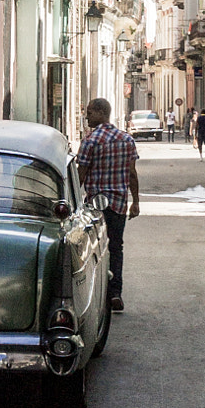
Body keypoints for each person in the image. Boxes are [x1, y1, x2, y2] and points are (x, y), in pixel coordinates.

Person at [76, 97, 140, 312]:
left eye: (90, 112)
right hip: (119, 204)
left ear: (102, 113)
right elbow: (132, 174)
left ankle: (96, 293)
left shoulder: (90, 141)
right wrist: (136, 202)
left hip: (95, 206)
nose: (87, 117)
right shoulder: (126, 139)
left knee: (92, 249)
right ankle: (115, 293)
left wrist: (74, 200)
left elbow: (81, 175)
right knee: (116, 247)